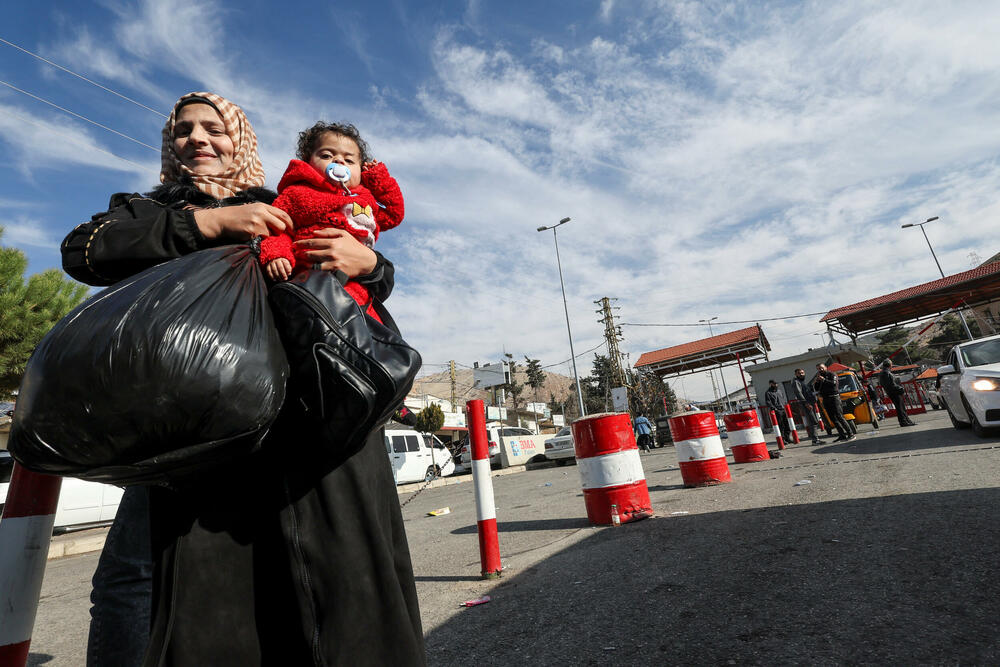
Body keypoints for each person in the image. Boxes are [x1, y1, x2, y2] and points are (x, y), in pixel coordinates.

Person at [62, 92, 423, 666]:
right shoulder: (146, 210)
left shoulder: (279, 204)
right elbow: (83, 252)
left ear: (240, 139)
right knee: (134, 582)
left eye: (214, 128)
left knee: (293, 580)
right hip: (177, 438)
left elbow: (342, 285)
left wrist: (373, 265)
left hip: (277, 423)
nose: (198, 139)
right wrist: (207, 223)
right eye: (184, 130)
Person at [260, 122, 404, 322]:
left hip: (358, 286)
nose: (339, 161)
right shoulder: (297, 194)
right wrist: (277, 255)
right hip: (309, 280)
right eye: (326, 156)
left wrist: (378, 179)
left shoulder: (365, 199)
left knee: (365, 330)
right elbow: (277, 228)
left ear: (361, 170)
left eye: (349, 160)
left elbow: (394, 214)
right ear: (308, 162)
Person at [814, 363, 855, 442]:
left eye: (821, 368)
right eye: (818, 369)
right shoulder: (819, 377)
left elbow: (833, 384)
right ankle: (842, 435)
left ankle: (850, 434)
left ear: (825, 367)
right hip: (825, 399)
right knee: (832, 418)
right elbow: (816, 389)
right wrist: (817, 382)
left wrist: (824, 380)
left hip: (834, 398)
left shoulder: (832, 374)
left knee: (839, 416)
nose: (820, 370)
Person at [879, 359, 916, 427]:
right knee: (900, 407)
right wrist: (900, 388)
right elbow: (890, 384)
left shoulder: (884, 372)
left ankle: (907, 420)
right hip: (894, 392)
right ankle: (903, 422)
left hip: (893, 392)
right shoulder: (885, 373)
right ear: (890, 365)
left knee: (901, 407)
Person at [791, 368, 823, 445]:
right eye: (799, 373)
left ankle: (816, 439)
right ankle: (815, 440)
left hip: (810, 403)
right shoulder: (796, 382)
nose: (801, 374)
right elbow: (798, 393)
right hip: (806, 404)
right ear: (796, 374)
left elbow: (808, 388)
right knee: (813, 421)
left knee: (814, 421)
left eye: (802, 372)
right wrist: (806, 403)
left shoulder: (802, 382)